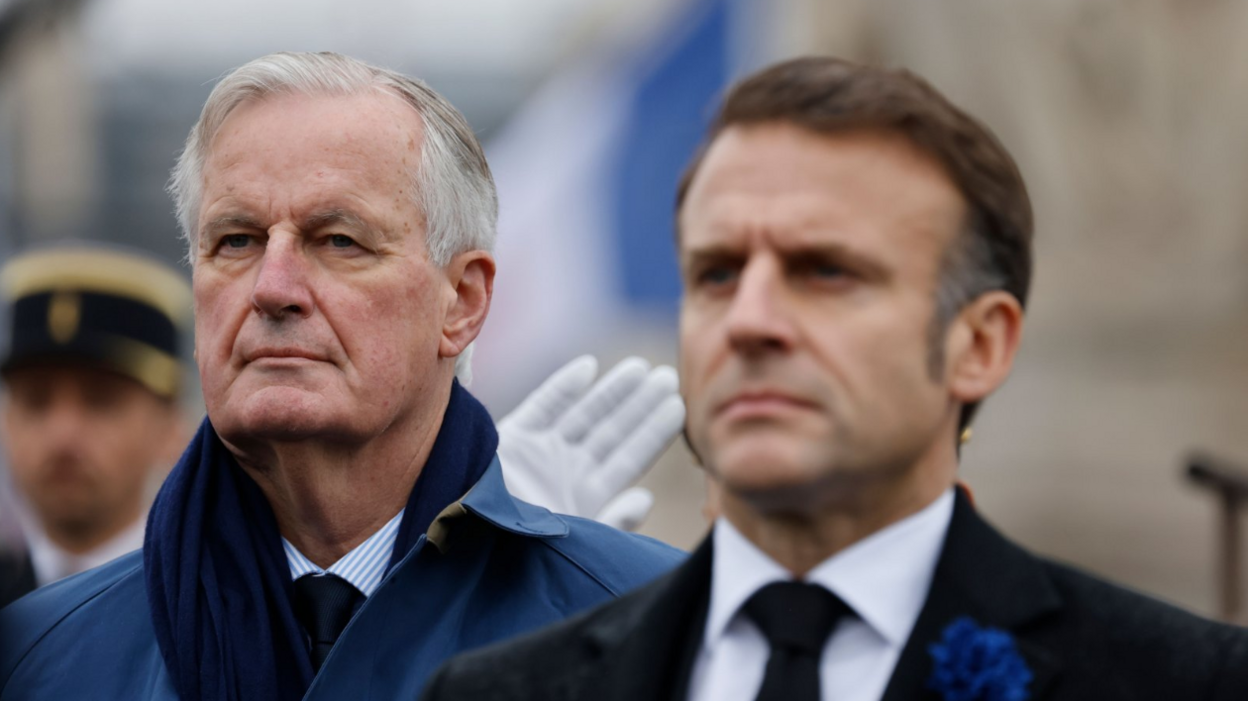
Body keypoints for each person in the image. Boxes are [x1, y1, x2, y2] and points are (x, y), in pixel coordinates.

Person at [418, 57, 1248, 701]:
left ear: (980, 343)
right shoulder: (504, 688)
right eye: (716, 273)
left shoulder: (1181, 680)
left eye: (825, 271)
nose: (751, 318)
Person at [0, 51, 685, 701]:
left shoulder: (651, 630)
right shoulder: (39, 655)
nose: (272, 287)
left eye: (339, 240)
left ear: (464, 301)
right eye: (235, 240)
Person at [0, 244, 192, 607]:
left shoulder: (206, 609)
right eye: (36, 400)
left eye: (101, 400)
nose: (63, 434)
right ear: (7, 423)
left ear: (171, 428)